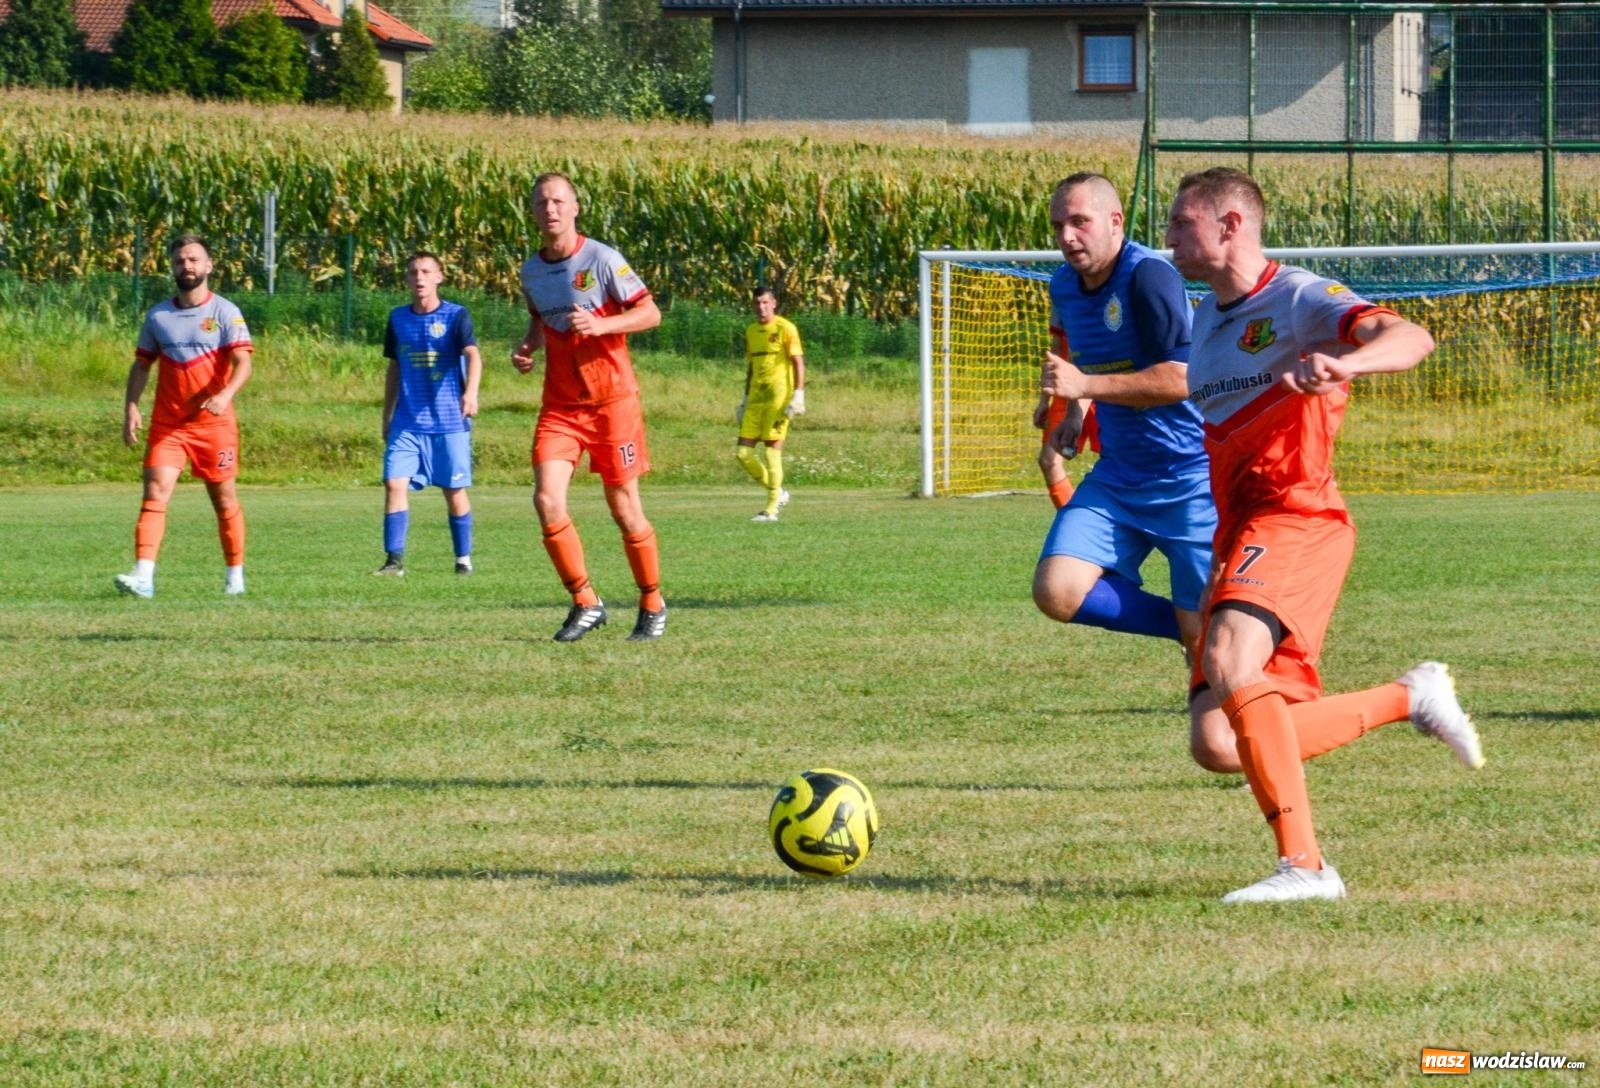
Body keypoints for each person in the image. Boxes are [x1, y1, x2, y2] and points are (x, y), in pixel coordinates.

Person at [1167, 166, 1485, 904]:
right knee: (1218, 741)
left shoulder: (1300, 297)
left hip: (1297, 514)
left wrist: (1346, 362)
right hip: (1240, 528)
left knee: (1229, 657)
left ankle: (1306, 869)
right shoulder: (1205, 317)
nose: (1170, 238)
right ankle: (1408, 697)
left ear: (1230, 225)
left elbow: (1410, 336)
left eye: (1183, 223)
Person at [1032, 173, 1235, 771]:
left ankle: (1263, 725)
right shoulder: (1064, 286)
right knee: (1057, 591)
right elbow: (1081, 353)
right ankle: (1184, 626)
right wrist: (1073, 410)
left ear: (1116, 223)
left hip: (1188, 480)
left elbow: (1182, 376)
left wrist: (1085, 387)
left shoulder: (1150, 277)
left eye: (1080, 222)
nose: (1068, 238)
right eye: (1058, 227)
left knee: (1216, 689)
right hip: (1119, 477)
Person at [513, 171, 667, 642]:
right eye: (541, 203)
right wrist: (528, 346)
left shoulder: (600, 259)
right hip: (561, 406)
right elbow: (540, 320)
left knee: (624, 509)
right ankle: (585, 600)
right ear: (534, 212)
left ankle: (652, 602)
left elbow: (651, 313)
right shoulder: (531, 271)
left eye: (559, 201)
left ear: (575, 208)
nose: (550, 209)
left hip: (612, 404)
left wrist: (601, 327)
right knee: (546, 499)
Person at [114, 233, 253, 599]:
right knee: (154, 493)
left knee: (223, 500)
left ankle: (234, 578)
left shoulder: (225, 312)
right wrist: (131, 405)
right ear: (172, 267)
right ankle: (144, 577)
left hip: (215, 427)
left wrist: (225, 395)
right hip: (169, 425)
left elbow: (244, 362)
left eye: (193, 259)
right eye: (180, 261)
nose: (186, 266)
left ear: (208, 266)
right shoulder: (158, 315)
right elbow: (142, 365)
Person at [374, 252, 484, 577]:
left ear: (439, 276)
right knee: (394, 483)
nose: (419, 277)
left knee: (453, 491)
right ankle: (394, 562)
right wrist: (387, 414)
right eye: (412, 272)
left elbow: (474, 356)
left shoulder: (455, 316)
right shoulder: (398, 319)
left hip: (450, 422)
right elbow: (394, 368)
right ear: (407, 279)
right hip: (408, 423)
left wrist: (471, 393)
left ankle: (463, 559)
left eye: (425, 271)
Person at [736, 285, 806, 522]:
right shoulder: (751, 331)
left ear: (774, 303)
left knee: (771, 452)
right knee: (743, 454)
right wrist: (744, 400)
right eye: (757, 303)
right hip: (755, 401)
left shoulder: (786, 328)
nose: (761, 307)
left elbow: (798, 362)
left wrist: (799, 394)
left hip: (778, 401)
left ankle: (771, 507)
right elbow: (751, 367)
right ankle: (779, 492)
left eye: (765, 303)